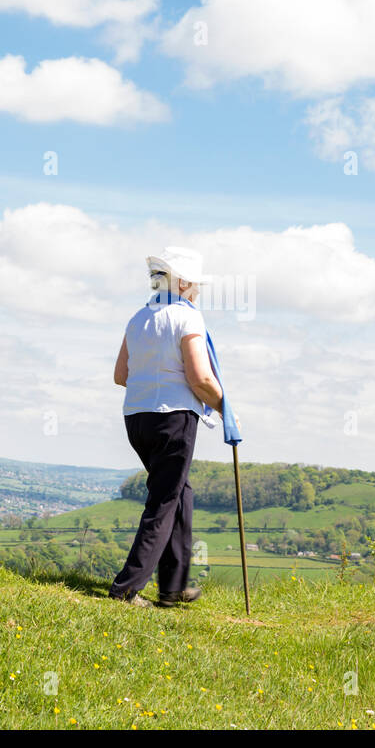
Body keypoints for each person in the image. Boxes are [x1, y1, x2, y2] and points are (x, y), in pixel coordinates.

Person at [109, 247, 224, 607]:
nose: (199, 291)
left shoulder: (137, 318)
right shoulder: (189, 318)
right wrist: (226, 408)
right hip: (173, 418)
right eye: (197, 285)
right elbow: (200, 377)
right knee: (164, 500)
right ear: (185, 282)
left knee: (179, 494)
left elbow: (120, 375)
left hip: (136, 418)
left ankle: (173, 588)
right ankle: (126, 590)